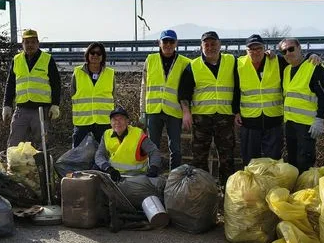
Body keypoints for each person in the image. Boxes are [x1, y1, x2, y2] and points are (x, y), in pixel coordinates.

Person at [235, 34, 322, 166]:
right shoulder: (238, 64)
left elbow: (297, 60)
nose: (255, 52)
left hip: (273, 122)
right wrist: (235, 111)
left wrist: (312, 54)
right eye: (251, 49)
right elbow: (235, 89)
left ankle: (273, 187)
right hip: (249, 122)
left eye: (258, 48)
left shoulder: (277, 61)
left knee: (274, 162)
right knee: (250, 162)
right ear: (246, 51)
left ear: (264, 49)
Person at [178, 31, 238, 186]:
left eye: (213, 44)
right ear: (201, 46)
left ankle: (227, 192)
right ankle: (203, 192)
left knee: (227, 157)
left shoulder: (232, 61)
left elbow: (250, 66)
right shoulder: (193, 66)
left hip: (225, 117)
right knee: (199, 157)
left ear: (220, 45)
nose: (210, 47)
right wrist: (186, 112)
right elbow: (184, 92)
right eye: (207, 44)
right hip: (201, 118)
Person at [139, 29, 192, 171]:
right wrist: (142, 111)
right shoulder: (150, 60)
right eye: (165, 41)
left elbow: (189, 89)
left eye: (171, 41)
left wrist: (188, 110)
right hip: (153, 111)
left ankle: (174, 176)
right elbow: (144, 86)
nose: (168, 44)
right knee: (153, 146)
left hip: (174, 111)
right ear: (159, 43)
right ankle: (153, 173)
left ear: (176, 43)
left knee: (175, 148)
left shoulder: (185, 62)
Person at [280, 37, 324, 174]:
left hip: (307, 125)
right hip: (290, 124)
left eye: (291, 49)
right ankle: (296, 193)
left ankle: (306, 192)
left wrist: (320, 118)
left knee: (305, 163)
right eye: (284, 51)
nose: (288, 53)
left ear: (299, 48)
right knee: (292, 162)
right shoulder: (286, 71)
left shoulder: (314, 67)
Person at [2, 29, 62, 147]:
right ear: (22, 44)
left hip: (41, 109)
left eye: (33, 42)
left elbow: (56, 83)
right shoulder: (17, 60)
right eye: (27, 42)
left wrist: (55, 104)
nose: (30, 45)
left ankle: (42, 164)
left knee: (42, 143)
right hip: (21, 109)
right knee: (14, 142)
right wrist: (7, 105)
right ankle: (14, 164)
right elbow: (10, 84)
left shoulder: (47, 59)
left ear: (38, 43)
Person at [95, 106, 163, 182]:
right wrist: (108, 169)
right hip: (114, 176)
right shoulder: (106, 134)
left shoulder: (137, 134)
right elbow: (99, 155)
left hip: (136, 177)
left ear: (127, 121)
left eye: (121, 119)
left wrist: (153, 168)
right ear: (110, 122)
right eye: (114, 119)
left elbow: (154, 151)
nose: (117, 122)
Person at [70, 42, 115, 148]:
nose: (95, 55)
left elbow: (113, 95)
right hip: (82, 122)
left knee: (104, 152)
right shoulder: (77, 72)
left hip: (103, 121)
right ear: (87, 54)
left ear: (103, 56)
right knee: (79, 155)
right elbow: (72, 93)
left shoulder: (110, 73)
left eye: (99, 53)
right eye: (92, 52)